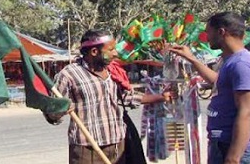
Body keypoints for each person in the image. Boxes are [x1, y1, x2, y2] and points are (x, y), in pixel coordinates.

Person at [45, 29, 168, 164]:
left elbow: (126, 98)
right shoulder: (68, 75)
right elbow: (51, 113)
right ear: (94, 52)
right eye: (111, 49)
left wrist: (161, 97)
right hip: (87, 148)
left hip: (118, 146)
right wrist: (62, 108)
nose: (115, 53)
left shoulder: (113, 72)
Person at [169, 12, 250, 164]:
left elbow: (247, 112)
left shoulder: (242, 64)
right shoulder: (232, 61)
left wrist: (234, 157)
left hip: (235, 150)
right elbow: (218, 81)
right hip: (223, 145)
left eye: (208, 32)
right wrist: (192, 59)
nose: (206, 37)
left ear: (221, 32)